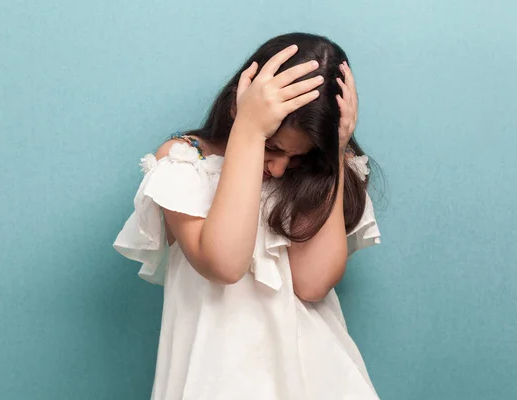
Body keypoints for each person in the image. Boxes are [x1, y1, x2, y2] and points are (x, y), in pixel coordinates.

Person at [114, 32, 382, 400]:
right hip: (216, 380)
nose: (280, 167)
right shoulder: (186, 162)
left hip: (316, 379)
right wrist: (251, 132)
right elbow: (224, 263)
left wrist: (333, 155)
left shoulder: (312, 175)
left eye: (299, 157)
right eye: (273, 148)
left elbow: (313, 282)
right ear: (237, 106)